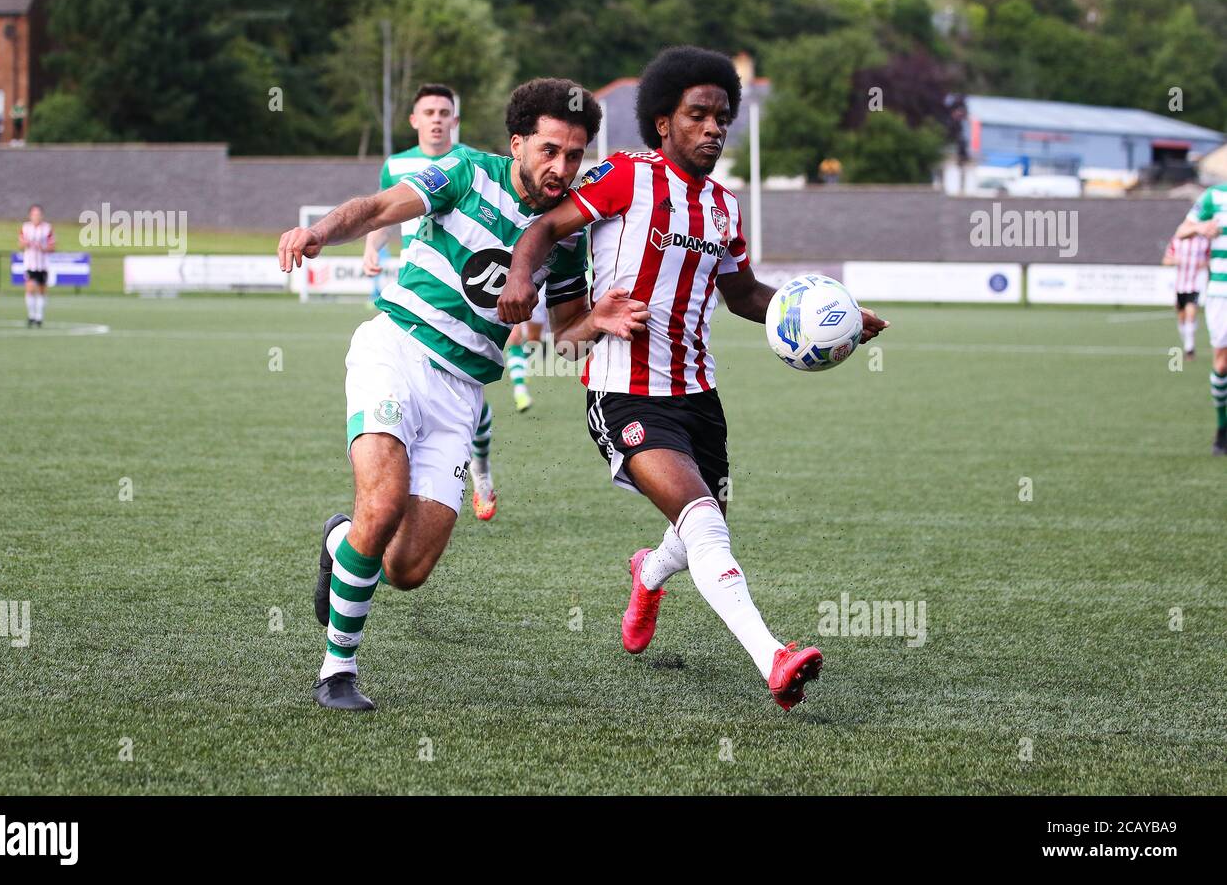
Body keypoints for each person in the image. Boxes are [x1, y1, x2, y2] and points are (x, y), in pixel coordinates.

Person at [498, 47, 889, 710]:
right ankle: (775, 658)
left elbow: (745, 296)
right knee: (705, 523)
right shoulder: (624, 175)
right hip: (623, 390)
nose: (713, 127)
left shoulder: (724, 208)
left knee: (694, 533)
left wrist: (836, 316)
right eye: (698, 114)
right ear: (663, 122)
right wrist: (517, 277)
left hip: (698, 396)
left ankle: (647, 574)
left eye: (722, 118)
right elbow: (543, 230)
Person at [275, 78, 649, 711]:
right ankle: (338, 670)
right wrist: (321, 234)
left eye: (574, 155)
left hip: (461, 394)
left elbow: (563, 337)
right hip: (395, 349)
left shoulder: (568, 234)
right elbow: (377, 208)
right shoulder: (468, 173)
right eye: (549, 150)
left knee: (406, 570)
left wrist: (600, 320)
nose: (561, 167)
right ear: (518, 143)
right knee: (384, 499)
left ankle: (340, 542)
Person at [363, 84, 504, 520]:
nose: (438, 118)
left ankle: (478, 470)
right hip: (414, 293)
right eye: (430, 111)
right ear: (415, 120)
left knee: (467, 395)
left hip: (463, 297)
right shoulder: (397, 165)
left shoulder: (470, 163)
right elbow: (385, 210)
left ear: (455, 121)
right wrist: (372, 247)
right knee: (402, 392)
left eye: (445, 111)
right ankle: (401, 489)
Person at [1174, 184, 1227, 454]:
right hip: (1221, 292)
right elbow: (1182, 231)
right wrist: (1200, 227)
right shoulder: (1213, 196)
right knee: (1222, 363)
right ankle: (1222, 427)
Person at [1162, 233, 1209, 359]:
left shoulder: (1203, 242)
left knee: (1191, 313)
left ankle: (1190, 348)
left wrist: (1204, 263)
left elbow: (1210, 259)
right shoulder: (1176, 240)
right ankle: (1187, 342)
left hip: (1194, 285)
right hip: (1179, 286)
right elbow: (1165, 260)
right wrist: (1174, 260)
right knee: (1182, 317)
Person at [19, 204, 54, 327]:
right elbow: (20, 244)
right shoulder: (25, 227)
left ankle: (39, 317)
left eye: (38, 214)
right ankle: (31, 315)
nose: (36, 217)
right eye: (34, 214)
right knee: (30, 288)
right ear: (30, 215)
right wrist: (26, 243)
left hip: (43, 265)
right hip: (30, 264)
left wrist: (43, 248)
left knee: (41, 291)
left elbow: (52, 246)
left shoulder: (47, 228)